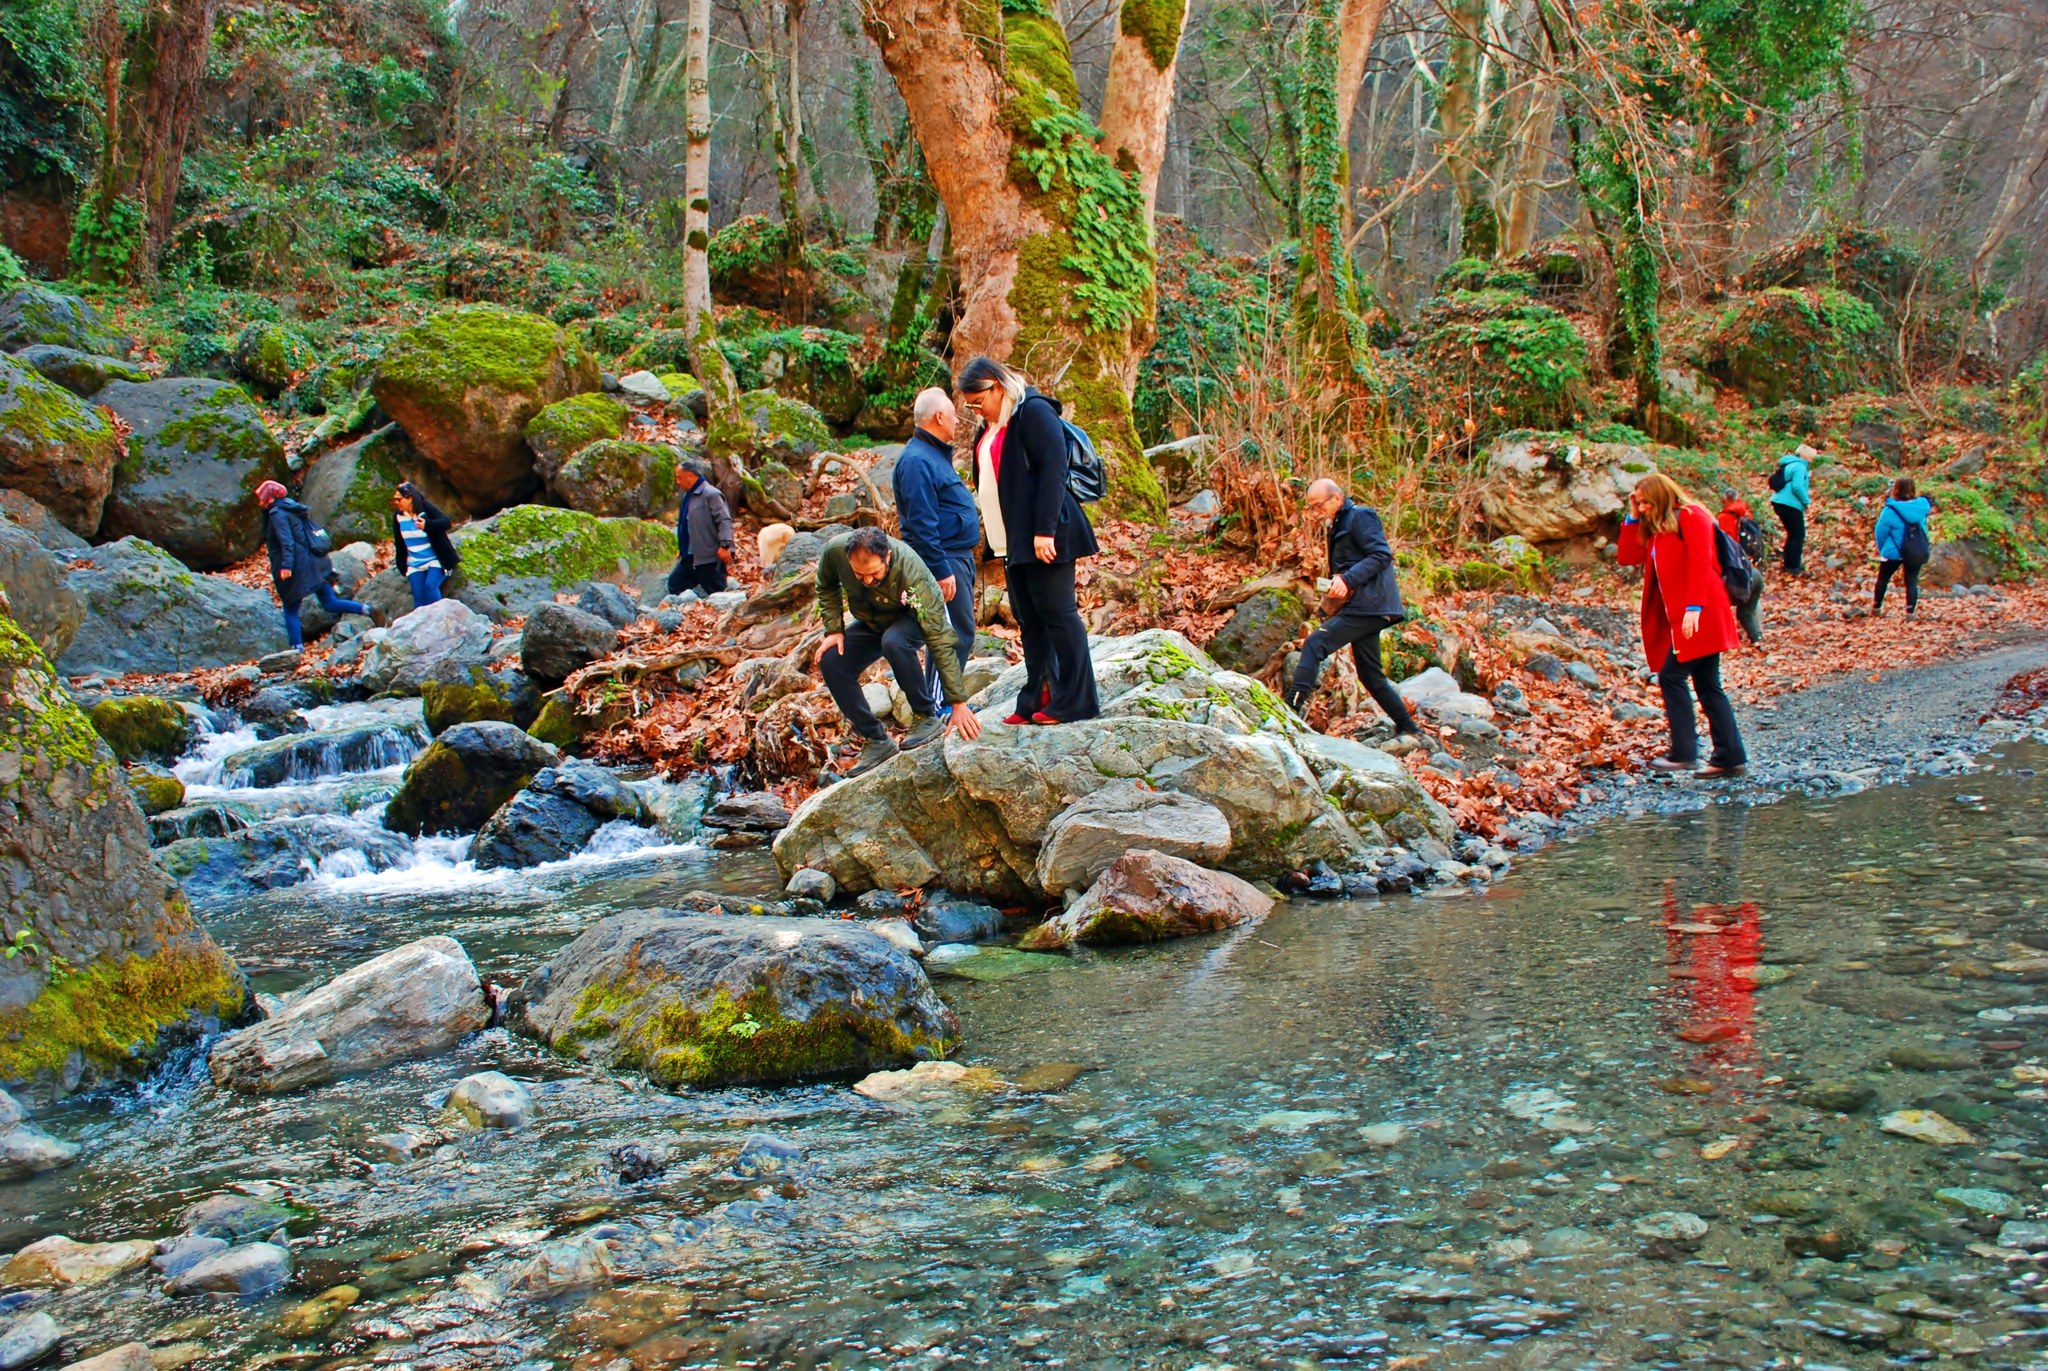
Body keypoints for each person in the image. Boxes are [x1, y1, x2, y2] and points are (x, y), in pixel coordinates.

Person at [958, 355, 1100, 725]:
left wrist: (1044, 531)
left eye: (979, 401)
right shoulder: (990, 426)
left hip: (1045, 536)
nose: (976, 411)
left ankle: (1077, 701)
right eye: (970, 406)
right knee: (1030, 621)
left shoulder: (1033, 412)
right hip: (1011, 543)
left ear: (998, 386)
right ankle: (1037, 696)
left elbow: (1055, 470)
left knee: (1059, 615)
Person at [816, 526, 983, 775]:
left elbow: (939, 637)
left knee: (894, 641)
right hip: (873, 621)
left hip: (911, 619)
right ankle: (877, 740)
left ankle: (926, 717)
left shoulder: (911, 570)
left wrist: (957, 701)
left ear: (888, 557)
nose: (868, 581)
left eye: (873, 573)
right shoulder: (835, 551)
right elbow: (825, 584)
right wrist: (834, 629)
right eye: (859, 575)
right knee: (831, 661)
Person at [1619, 472, 1746, 778]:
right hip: (1684, 616)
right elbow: (1628, 556)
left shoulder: (1691, 515)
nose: (1644, 506)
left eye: (1647, 501)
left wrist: (1694, 607)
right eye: (1639, 501)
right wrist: (1633, 517)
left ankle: (1684, 753)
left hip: (1701, 612)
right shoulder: (1658, 527)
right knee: (1707, 685)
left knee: (1672, 677)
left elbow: (1702, 561)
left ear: (1662, 496)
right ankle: (1729, 756)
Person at [1284, 478, 1423, 747]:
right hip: (1364, 605)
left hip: (1370, 605)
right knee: (1370, 675)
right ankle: (1410, 729)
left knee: (1315, 643)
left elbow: (1381, 555)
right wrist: (1338, 583)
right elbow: (1355, 562)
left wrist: (1347, 579)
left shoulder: (1361, 516)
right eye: (1311, 508)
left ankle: (1290, 710)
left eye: (1318, 505)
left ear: (1336, 498)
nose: (1315, 512)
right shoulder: (1337, 524)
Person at [893, 386, 981, 684]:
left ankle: (943, 702)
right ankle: (942, 704)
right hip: (945, 560)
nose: (958, 422)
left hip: (958, 557)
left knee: (956, 631)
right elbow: (921, 523)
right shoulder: (918, 460)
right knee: (953, 633)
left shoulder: (933, 455)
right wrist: (941, 569)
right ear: (940, 416)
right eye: (955, 416)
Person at [258, 479, 371, 648]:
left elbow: (287, 542)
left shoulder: (277, 514)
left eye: (261, 497)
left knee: (290, 609)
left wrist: (286, 566)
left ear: (270, 498)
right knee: (329, 602)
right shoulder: (291, 507)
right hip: (316, 564)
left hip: (298, 568)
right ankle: (367, 609)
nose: (259, 501)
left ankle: (296, 649)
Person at [668, 458, 735, 596]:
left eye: (679, 478)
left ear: (691, 476)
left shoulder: (711, 494)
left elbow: (724, 520)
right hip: (690, 558)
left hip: (708, 558)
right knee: (675, 585)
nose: (677, 482)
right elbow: (687, 524)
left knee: (718, 593)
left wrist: (725, 545)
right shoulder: (688, 496)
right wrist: (683, 547)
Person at [391, 482, 459, 609]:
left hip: (435, 559)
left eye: (399, 499)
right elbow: (400, 544)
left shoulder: (425, 509)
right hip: (415, 562)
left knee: (430, 586)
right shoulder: (398, 518)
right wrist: (402, 566)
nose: (396, 502)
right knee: (419, 599)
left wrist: (428, 526)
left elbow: (446, 522)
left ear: (409, 498)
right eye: (395, 499)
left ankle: (441, 618)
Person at [1873, 477, 1935, 617]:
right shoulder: (1921, 507)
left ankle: (1876, 608)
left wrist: (1883, 548)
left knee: (1883, 579)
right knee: (1911, 581)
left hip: (1893, 551)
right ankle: (1910, 612)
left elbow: (1880, 532)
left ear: (1896, 489)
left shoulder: (1890, 510)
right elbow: (1923, 529)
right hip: (1914, 550)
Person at [1715, 487, 1766, 646]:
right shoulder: (1746, 514)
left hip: (1736, 566)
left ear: (1725, 499)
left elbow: (1723, 543)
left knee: (1728, 599)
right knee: (1751, 602)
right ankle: (1757, 633)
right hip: (1751, 563)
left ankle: (1729, 637)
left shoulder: (1724, 518)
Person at [1768, 443, 1815, 575]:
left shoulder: (1789, 463)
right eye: (1811, 456)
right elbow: (1797, 487)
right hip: (1789, 504)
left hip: (1779, 501)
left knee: (1793, 534)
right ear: (1805, 455)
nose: (1812, 459)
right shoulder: (1800, 466)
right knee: (1798, 535)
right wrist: (1807, 502)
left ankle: (1789, 564)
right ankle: (1793, 566)